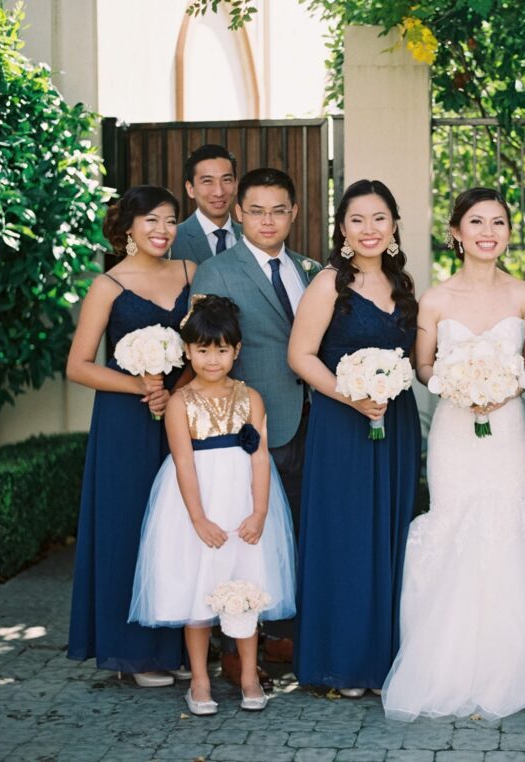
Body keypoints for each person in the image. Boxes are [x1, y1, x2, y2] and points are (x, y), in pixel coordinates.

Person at [382, 188, 525, 721]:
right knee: (455, 524)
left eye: (499, 222)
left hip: (509, 427)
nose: (488, 232)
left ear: (510, 232)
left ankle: (514, 664)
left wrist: (508, 387)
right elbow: (422, 367)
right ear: (457, 232)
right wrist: (458, 385)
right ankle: (446, 663)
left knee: (511, 523)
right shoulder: (436, 299)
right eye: (477, 222)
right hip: (455, 432)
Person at [128, 295, 296, 716]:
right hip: (195, 503)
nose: (213, 359)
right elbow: (183, 461)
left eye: (222, 349)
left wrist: (259, 512)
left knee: (246, 585)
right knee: (196, 589)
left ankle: (248, 676)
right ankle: (200, 680)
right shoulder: (180, 403)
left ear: (236, 351)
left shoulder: (251, 398)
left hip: (242, 500)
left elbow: (259, 456)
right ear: (188, 351)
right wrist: (198, 518)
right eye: (202, 350)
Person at [289, 179, 421, 696]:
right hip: (343, 425)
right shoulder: (328, 284)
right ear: (342, 229)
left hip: (396, 426)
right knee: (346, 536)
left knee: (389, 535)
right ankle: (342, 661)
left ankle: (382, 659)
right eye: (357, 220)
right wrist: (353, 396)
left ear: (393, 226)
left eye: (379, 218)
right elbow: (300, 356)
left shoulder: (402, 282)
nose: (369, 229)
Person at [190, 167, 318, 677]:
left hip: (313, 416)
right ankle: (233, 646)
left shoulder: (309, 268)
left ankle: (284, 635)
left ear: (293, 212)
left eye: (279, 210)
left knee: (298, 530)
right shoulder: (216, 272)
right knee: (245, 530)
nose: (268, 220)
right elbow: (209, 352)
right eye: (257, 210)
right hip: (246, 424)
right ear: (239, 212)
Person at [66, 185, 191, 684]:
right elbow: (78, 365)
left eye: (170, 220)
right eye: (152, 221)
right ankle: (133, 653)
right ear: (129, 228)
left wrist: (173, 390)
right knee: (129, 525)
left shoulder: (191, 274)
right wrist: (139, 386)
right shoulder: (107, 286)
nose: (163, 230)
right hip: (125, 421)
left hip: (180, 414)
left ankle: (177, 647)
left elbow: (206, 342)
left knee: (178, 526)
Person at [171, 144, 239, 264]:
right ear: (190, 188)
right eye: (207, 181)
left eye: (226, 180)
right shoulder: (171, 240)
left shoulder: (252, 237)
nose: (219, 192)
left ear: (235, 185)